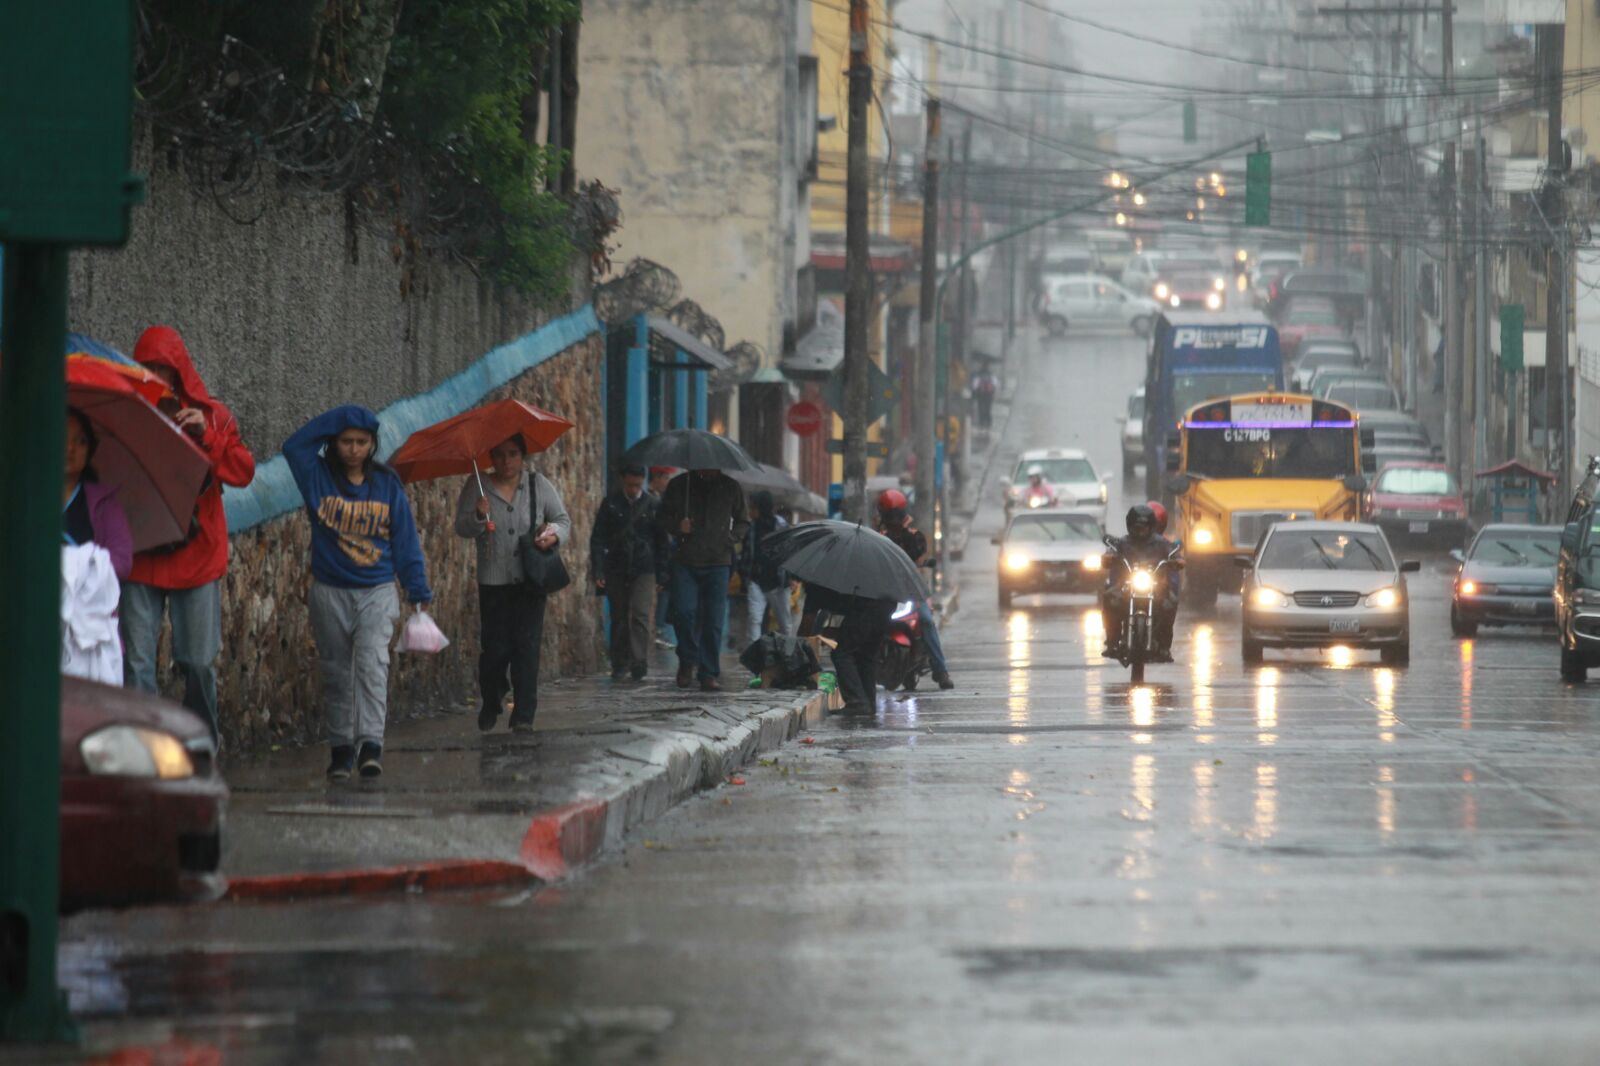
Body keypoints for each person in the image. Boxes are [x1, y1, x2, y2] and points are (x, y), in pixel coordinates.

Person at [121, 326, 256, 744]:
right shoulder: (124, 412)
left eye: (166, 368)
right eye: (148, 368)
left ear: (181, 371)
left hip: (196, 557)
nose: (158, 376)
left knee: (196, 661)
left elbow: (244, 471)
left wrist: (207, 437)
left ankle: (201, 744)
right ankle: (145, 749)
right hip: (142, 553)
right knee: (138, 663)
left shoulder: (212, 414)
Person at [285, 405, 433, 780]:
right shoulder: (317, 477)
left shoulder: (386, 484)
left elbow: (405, 541)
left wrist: (416, 588)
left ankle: (370, 745)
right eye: (346, 441)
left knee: (371, 665)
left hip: (377, 591)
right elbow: (294, 447)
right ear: (334, 442)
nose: (353, 449)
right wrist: (339, 419)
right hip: (329, 591)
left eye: (361, 442)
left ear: (372, 444)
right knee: (336, 673)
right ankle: (340, 749)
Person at [454, 434, 571, 731]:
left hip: (530, 580)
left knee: (527, 649)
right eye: (500, 455)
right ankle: (492, 699)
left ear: (523, 456)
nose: (506, 462)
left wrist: (553, 534)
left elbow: (562, 520)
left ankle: (523, 716)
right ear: (491, 458)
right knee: (494, 651)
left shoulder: (537, 485)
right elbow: (462, 527)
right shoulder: (477, 485)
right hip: (493, 583)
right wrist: (479, 516)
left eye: (513, 454)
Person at [657, 467, 749, 691]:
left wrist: (731, 537)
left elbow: (743, 521)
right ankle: (687, 659)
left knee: (714, 620)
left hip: (718, 561)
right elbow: (661, 517)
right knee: (683, 612)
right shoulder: (680, 485)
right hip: (685, 559)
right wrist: (678, 526)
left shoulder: (730, 487)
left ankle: (708, 672)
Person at [590, 463, 665, 680]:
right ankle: (619, 662)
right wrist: (599, 569)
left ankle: (639, 661)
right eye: (630, 484)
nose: (633, 489)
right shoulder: (611, 504)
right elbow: (598, 538)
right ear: (623, 480)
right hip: (616, 566)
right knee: (619, 615)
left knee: (640, 615)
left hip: (644, 567)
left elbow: (661, 541)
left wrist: (662, 573)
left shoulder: (651, 505)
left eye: (637, 485)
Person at [875, 489, 954, 689]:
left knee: (926, 621)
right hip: (885, 590)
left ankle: (940, 670)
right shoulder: (877, 538)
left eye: (896, 515)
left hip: (913, 590)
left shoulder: (915, 536)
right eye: (889, 515)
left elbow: (920, 558)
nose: (893, 520)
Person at [1100, 504, 1181, 661]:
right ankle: (1112, 641)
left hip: (1155, 587)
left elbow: (1174, 552)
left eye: (1144, 528)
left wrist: (1177, 559)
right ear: (1130, 526)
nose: (1140, 531)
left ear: (1151, 527)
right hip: (1127, 586)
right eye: (1137, 527)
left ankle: (1164, 646)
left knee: (1170, 602)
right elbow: (1111, 552)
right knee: (1110, 598)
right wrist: (1108, 556)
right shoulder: (1123, 543)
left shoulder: (1161, 543)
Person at [64, 407, 133, 581]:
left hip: (87, 605)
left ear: (90, 451)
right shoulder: (28, 499)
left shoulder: (104, 504)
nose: (70, 448)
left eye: (81, 441)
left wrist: (77, 564)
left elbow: (122, 562)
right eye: (61, 437)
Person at [804, 583, 893, 713]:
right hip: (885, 606)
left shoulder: (816, 583)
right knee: (867, 655)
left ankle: (857, 701)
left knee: (841, 654)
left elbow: (807, 621)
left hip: (865, 609)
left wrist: (801, 645)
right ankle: (868, 702)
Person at [742, 490, 796, 642]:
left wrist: (791, 576)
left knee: (785, 624)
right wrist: (746, 577)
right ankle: (755, 656)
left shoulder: (781, 527)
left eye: (753, 508)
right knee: (755, 619)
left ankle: (788, 655)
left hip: (778, 583)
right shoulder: (751, 529)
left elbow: (790, 552)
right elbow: (747, 555)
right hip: (757, 580)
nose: (750, 512)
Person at [648, 466, 679, 647]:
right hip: (655, 554)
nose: (668, 482)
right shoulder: (652, 500)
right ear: (657, 478)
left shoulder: (662, 499)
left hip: (664, 554)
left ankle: (659, 628)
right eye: (666, 478)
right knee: (662, 593)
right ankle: (658, 629)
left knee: (665, 592)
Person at [972, 366, 997, 431]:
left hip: (981, 395)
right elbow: (995, 384)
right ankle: (988, 422)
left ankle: (981, 422)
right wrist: (993, 392)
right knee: (988, 408)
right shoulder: (991, 376)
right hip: (989, 395)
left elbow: (975, 386)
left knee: (980, 408)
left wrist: (975, 393)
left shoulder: (978, 376)